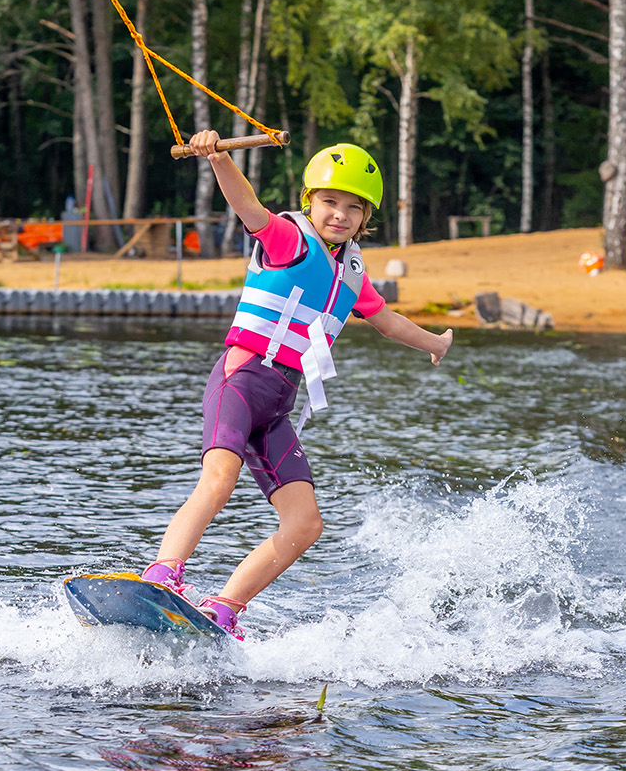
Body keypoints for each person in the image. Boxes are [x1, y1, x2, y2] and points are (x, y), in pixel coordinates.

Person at [144, 129, 454, 638]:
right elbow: (249, 207)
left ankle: (223, 608)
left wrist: (433, 344)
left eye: (353, 208)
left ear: (365, 219)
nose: (340, 214)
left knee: (306, 524)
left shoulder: (351, 272)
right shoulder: (290, 240)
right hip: (241, 382)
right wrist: (218, 158)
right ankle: (163, 574)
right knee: (220, 477)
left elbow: (387, 321)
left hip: (277, 407)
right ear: (310, 201)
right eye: (329, 201)